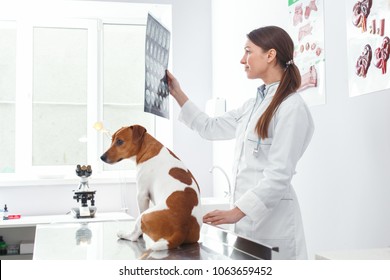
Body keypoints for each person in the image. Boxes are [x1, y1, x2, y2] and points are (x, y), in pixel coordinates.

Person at [166, 25, 314, 260]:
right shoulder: (253, 105)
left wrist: (237, 212)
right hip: (248, 225)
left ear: (270, 55)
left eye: (248, 51)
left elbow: (279, 174)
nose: (242, 59)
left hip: (273, 225)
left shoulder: (291, 107)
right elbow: (210, 127)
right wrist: (177, 93)